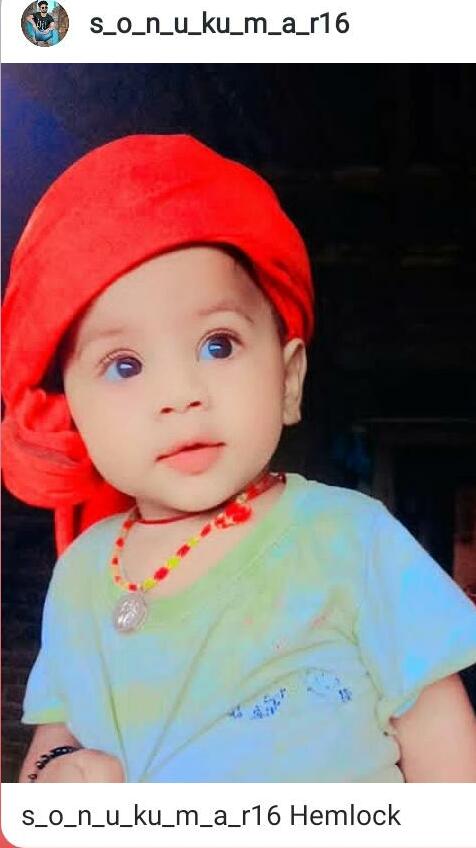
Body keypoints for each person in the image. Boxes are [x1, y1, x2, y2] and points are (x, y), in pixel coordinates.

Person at [3, 135, 476, 784]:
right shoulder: (81, 574)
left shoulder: (350, 538)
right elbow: (53, 739)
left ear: (289, 379)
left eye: (218, 345)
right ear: (72, 412)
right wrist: (58, 775)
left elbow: (443, 740)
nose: (179, 394)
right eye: (125, 365)